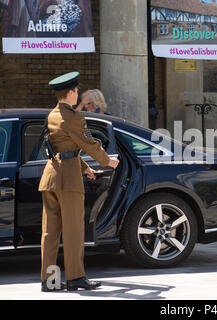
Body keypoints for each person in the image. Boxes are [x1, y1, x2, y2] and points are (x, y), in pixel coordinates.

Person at [39, 72, 119, 292]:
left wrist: (86, 167)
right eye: (77, 92)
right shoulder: (74, 117)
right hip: (68, 180)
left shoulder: (53, 115)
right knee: (73, 230)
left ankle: (50, 281)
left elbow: (64, 146)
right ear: (72, 92)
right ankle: (75, 278)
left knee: (50, 233)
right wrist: (108, 161)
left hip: (51, 177)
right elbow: (88, 143)